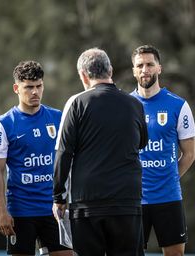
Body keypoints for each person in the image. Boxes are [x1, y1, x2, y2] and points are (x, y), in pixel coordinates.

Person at [52, 47, 148, 256]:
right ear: (110, 71)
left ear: (83, 75)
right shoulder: (135, 104)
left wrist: (59, 196)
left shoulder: (77, 103)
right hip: (127, 200)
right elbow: (141, 142)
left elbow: (64, 152)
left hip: (88, 201)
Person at [0, 60, 72, 256]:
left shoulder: (58, 117)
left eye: (39, 86)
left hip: (54, 209)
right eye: (29, 87)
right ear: (16, 88)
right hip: (20, 210)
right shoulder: (3, 124)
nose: (35, 92)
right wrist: (1, 210)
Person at [130, 45, 195, 256]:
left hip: (168, 197)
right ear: (133, 70)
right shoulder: (125, 105)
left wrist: (170, 178)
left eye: (150, 64)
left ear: (160, 68)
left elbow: (189, 154)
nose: (144, 70)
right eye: (139, 65)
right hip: (132, 199)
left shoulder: (178, 105)